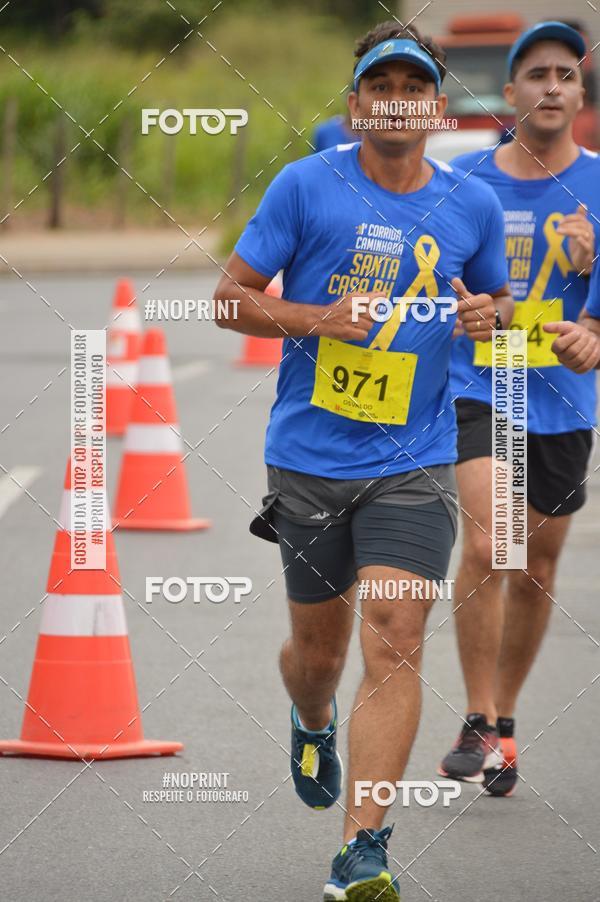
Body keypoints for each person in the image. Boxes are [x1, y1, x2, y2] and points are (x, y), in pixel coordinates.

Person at [214, 20, 512, 901]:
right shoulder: (306, 187)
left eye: (413, 86)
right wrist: (313, 320)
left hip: (414, 458)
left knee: (397, 634)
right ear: (356, 107)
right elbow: (226, 301)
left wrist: (488, 320)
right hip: (309, 456)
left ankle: (363, 850)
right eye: (379, 85)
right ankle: (313, 722)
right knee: (318, 652)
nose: (396, 99)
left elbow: (496, 304)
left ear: (434, 107)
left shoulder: (472, 205)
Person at [442, 21, 600, 798]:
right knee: (488, 546)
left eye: (566, 74)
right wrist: (468, 310)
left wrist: (590, 331)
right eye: (536, 73)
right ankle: (475, 714)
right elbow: (435, 279)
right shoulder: (465, 183)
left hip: (565, 403)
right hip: (486, 385)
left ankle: (503, 721)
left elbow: (598, 329)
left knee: (536, 569)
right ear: (511, 94)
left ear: (579, 93)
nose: (551, 86)